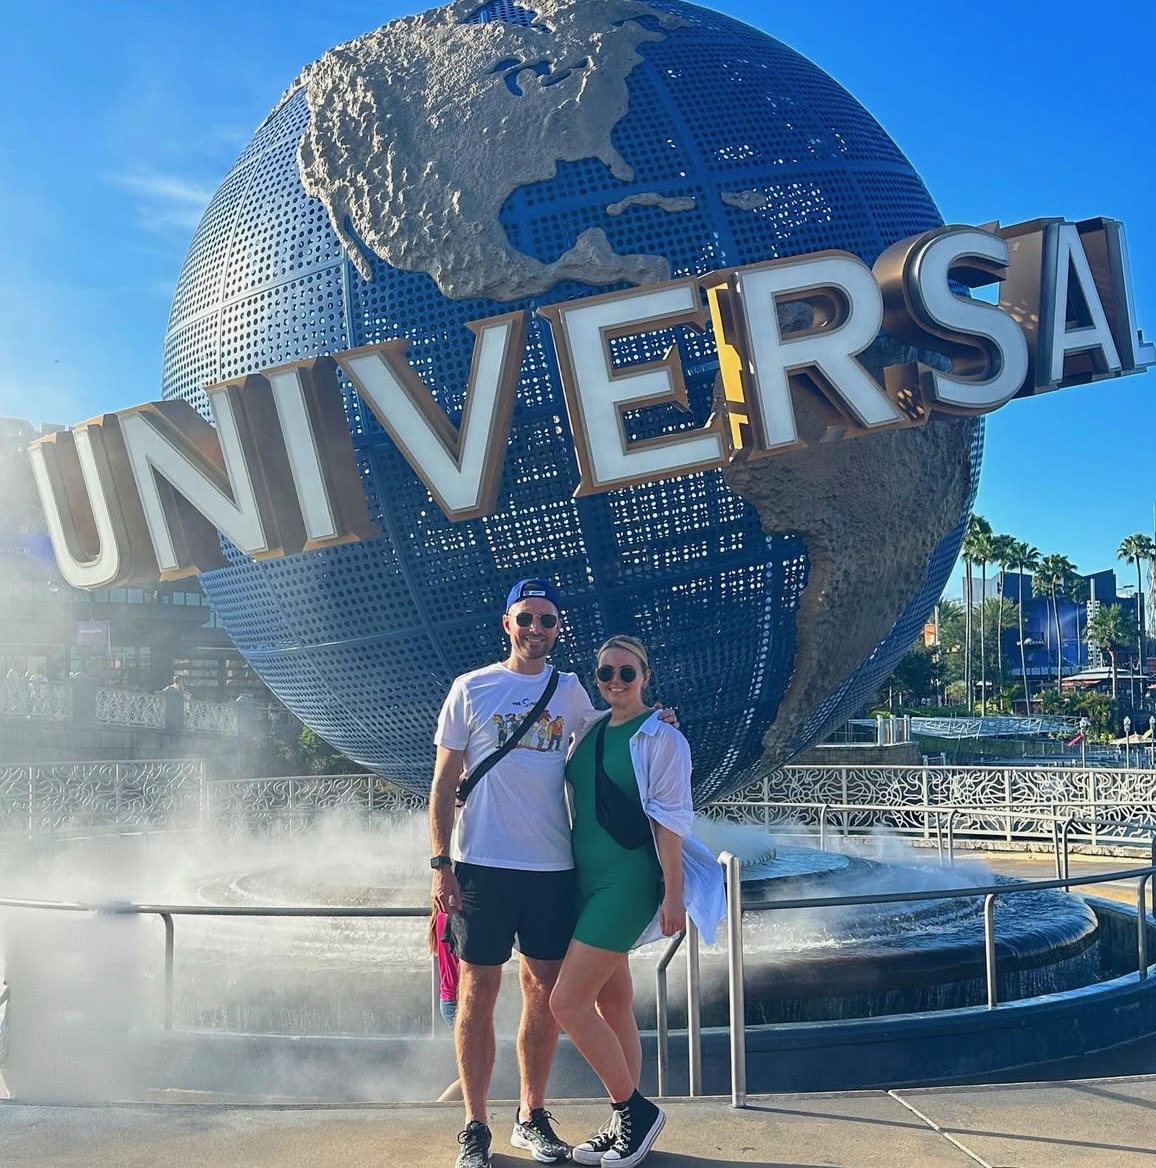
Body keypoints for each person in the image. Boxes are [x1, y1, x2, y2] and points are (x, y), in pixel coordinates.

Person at [429, 579, 675, 1168]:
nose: (536, 629)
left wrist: (654, 716)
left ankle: (531, 1116)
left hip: (551, 869)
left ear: (557, 629)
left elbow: (618, 723)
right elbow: (441, 786)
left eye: (547, 620)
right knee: (477, 993)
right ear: (506, 624)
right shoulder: (471, 688)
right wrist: (441, 864)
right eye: (526, 618)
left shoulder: (569, 693)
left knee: (544, 994)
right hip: (482, 866)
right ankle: (475, 1125)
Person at [550, 635, 725, 1168]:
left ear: (646, 677)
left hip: (628, 882)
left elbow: (670, 822)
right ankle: (622, 1121)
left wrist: (673, 894)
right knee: (612, 1002)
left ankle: (636, 1112)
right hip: (585, 879)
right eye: (606, 674)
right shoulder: (591, 728)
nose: (616, 683)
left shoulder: (663, 740)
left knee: (566, 1004)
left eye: (627, 674)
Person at [431, 909, 463, 1103]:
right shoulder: (455, 920)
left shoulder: (440, 916)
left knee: (476, 1066)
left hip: (450, 1000)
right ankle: (438, 1108)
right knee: (476, 1069)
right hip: (458, 1002)